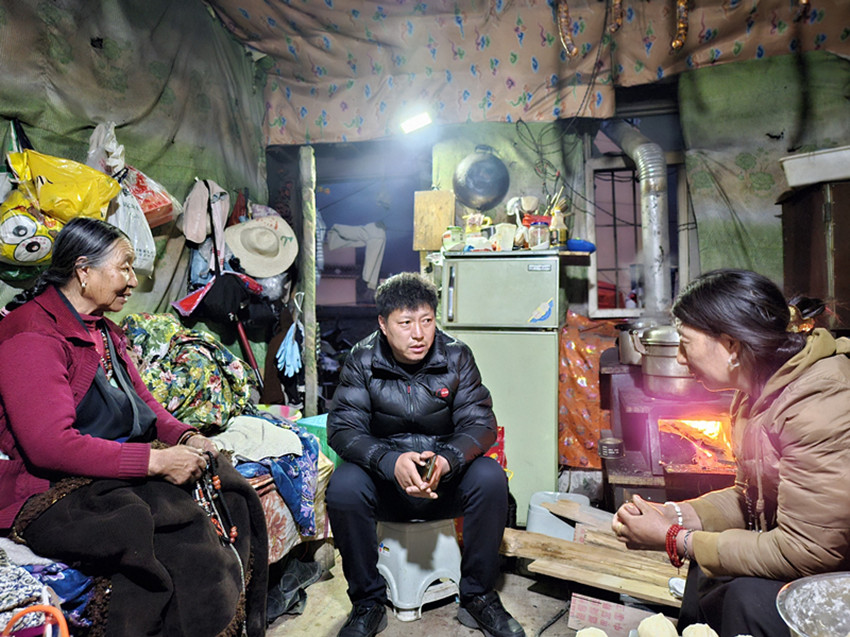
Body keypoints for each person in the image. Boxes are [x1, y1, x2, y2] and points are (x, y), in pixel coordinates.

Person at [0, 217, 268, 636]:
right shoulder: (32, 335)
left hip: (107, 464)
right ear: (83, 271)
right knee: (172, 534)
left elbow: (143, 403)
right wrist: (154, 462)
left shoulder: (104, 331)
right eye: (124, 267)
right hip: (50, 486)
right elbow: (49, 446)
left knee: (229, 489)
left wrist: (185, 436)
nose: (132, 280)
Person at [612, 269, 850, 637]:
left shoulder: (820, 402)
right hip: (815, 561)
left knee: (745, 598)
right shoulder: (757, 389)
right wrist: (677, 515)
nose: (680, 358)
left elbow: (809, 550)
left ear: (731, 345)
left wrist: (676, 539)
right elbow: (748, 498)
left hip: (835, 581)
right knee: (706, 567)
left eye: (685, 343)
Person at [325, 272, 524, 637]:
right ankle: (367, 603)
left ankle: (478, 596)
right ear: (383, 324)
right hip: (386, 485)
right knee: (343, 486)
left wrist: (446, 460)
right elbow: (343, 429)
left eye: (427, 321)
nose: (418, 334)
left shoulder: (457, 355)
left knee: (490, 477)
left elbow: (480, 423)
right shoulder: (362, 359)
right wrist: (390, 462)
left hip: (443, 483)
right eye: (405, 323)